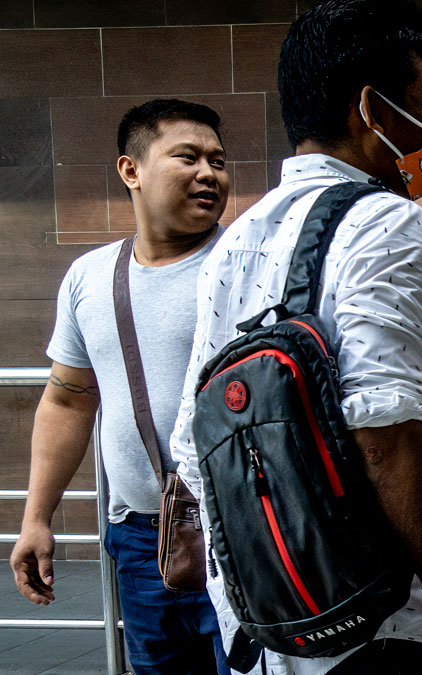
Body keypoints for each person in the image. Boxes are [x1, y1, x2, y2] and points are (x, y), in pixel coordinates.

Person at [168, 2, 422, 673]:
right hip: (375, 628)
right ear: (371, 110)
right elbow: (382, 435)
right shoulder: (388, 227)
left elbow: (192, 448)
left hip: (265, 625)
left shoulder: (235, 242)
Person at [10, 99, 231, 674]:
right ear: (130, 171)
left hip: (244, 534)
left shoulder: (249, 263)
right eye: (188, 157)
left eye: (218, 160)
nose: (209, 173)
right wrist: (37, 517)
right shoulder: (89, 276)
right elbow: (67, 398)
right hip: (141, 539)